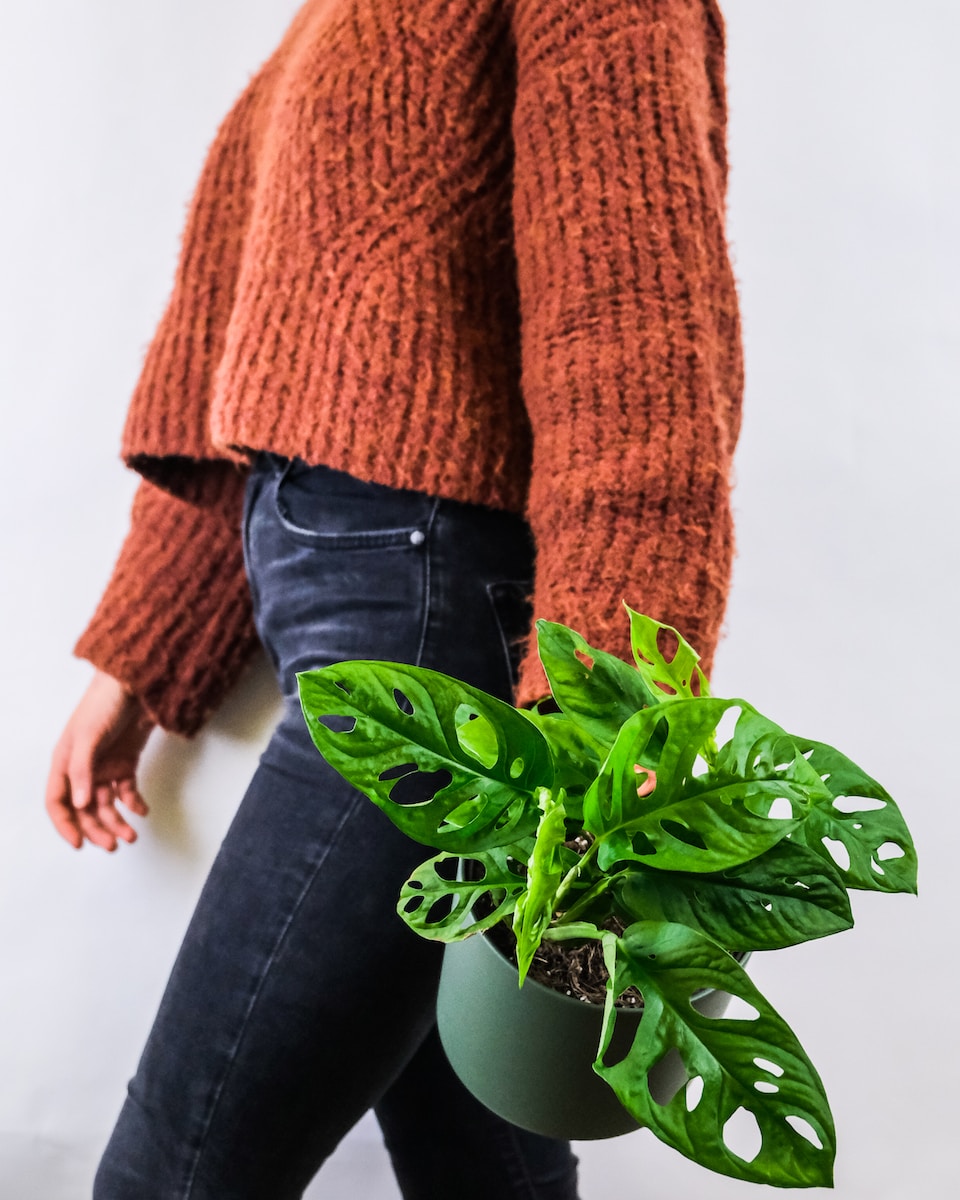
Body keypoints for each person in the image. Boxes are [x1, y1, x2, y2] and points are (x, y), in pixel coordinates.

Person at [44, 1, 743, 1196]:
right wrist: (140, 656)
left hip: (432, 646)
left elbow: (637, 331)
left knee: (178, 1170)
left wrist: (605, 706)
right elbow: (259, 377)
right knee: (486, 1173)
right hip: (363, 611)